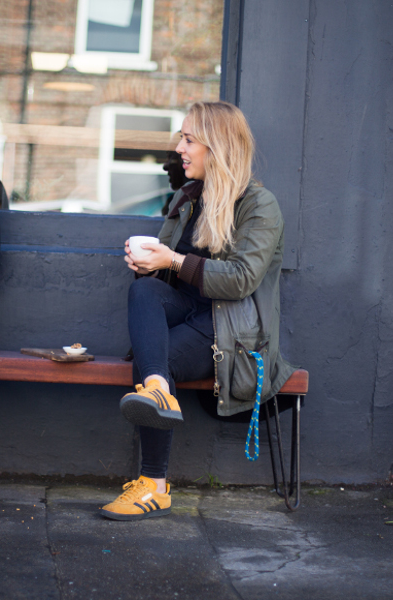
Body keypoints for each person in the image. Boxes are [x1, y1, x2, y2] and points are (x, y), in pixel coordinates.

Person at [100, 101, 295, 521]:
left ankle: (153, 486)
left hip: (231, 327)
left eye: (189, 139)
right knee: (146, 294)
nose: (180, 147)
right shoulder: (188, 198)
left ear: (218, 145)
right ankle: (157, 389)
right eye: (181, 138)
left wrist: (169, 260)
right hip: (186, 310)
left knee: (160, 355)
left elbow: (242, 279)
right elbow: (167, 274)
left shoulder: (260, 206)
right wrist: (148, 265)